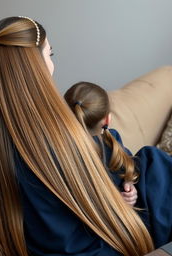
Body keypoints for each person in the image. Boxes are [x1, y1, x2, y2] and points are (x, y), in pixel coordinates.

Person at [0, 17, 154, 256]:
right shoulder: (48, 137)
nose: (52, 65)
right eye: (50, 54)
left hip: (42, 244)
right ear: (35, 63)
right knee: (152, 162)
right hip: (86, 245)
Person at [64, 81, 172, 248]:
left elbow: (126, 165)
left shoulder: (110, 138)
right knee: (154, 159)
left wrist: (130, 184)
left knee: (150, 157)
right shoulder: (75, 158)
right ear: (108, 118)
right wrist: (121, 203)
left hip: (133, 201)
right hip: (126, 219)